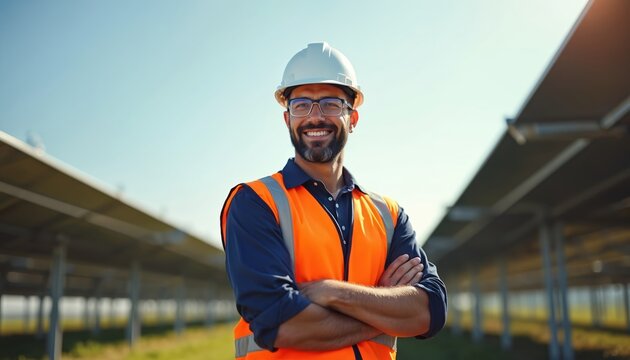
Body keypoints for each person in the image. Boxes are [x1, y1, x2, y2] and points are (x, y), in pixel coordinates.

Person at [221, 42, 447, 359]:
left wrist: (332, 292)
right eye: (301, 105)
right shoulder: (256, 203)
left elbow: (430, 311)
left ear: (352, 118)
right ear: (287, 118)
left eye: (330, 104)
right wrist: (385, 308)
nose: (315, 117)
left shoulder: (388, 215)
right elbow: (282, 323)